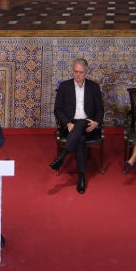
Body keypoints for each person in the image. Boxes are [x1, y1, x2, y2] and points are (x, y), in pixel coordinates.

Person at [50, 58, 105, 194]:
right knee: (79, 137)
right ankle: (81, 177)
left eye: (81, 72)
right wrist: (68, 123)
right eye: (75, 72)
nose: (78, 75)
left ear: (86, 72)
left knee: (81, 124)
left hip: (89, 125)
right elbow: (57, 110)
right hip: (70, 125)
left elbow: (100, 110)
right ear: (72, 71)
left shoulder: (93, 87)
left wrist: (97, 122)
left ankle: (62, 156)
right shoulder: (64, 86)